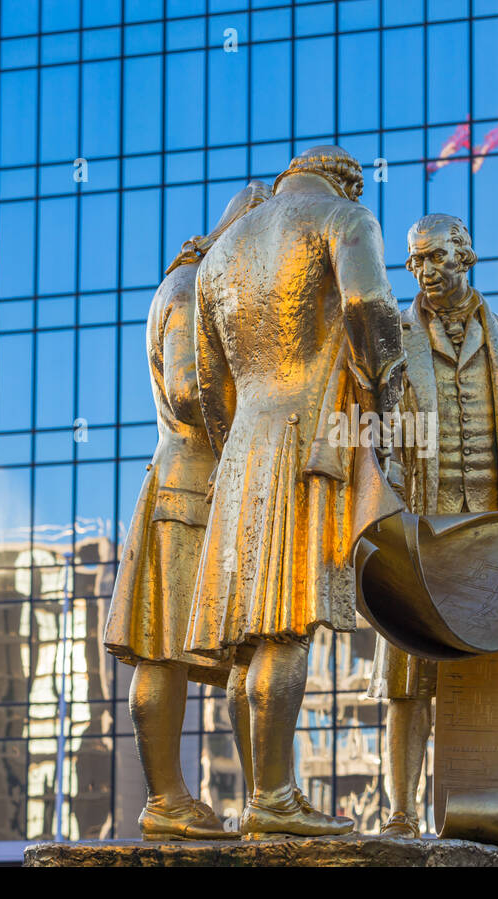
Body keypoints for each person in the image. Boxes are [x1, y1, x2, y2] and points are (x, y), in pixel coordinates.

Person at [186, 146, 406, 839]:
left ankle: (263, 792)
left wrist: (232, 443)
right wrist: (390, 388)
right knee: (287, 620)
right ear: (344, 178)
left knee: (249, 641)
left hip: (244, 443)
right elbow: (371, 304)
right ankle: (274, 797)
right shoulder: (344, 216)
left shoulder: (218, 255)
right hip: (308, 435)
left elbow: (201, 385)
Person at [369, 213, 498, 838]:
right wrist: (390, 499)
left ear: (466, 258)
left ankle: (478, 818)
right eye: (414, 261)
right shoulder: (394, 343)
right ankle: (400, 813)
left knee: (489, 675)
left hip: (493, 537)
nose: (421, 273)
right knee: (407, 677)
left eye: (433, 258)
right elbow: (371, 434)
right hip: (421, 537)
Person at [102, 182, 271, 840]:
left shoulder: (196, 285)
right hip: (191, 486)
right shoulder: (192, 290)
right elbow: (187, 388)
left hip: (199, 486)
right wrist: (245, 423)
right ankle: (167, 797)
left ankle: (262, 793)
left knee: (231, 650)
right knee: (166, 649)